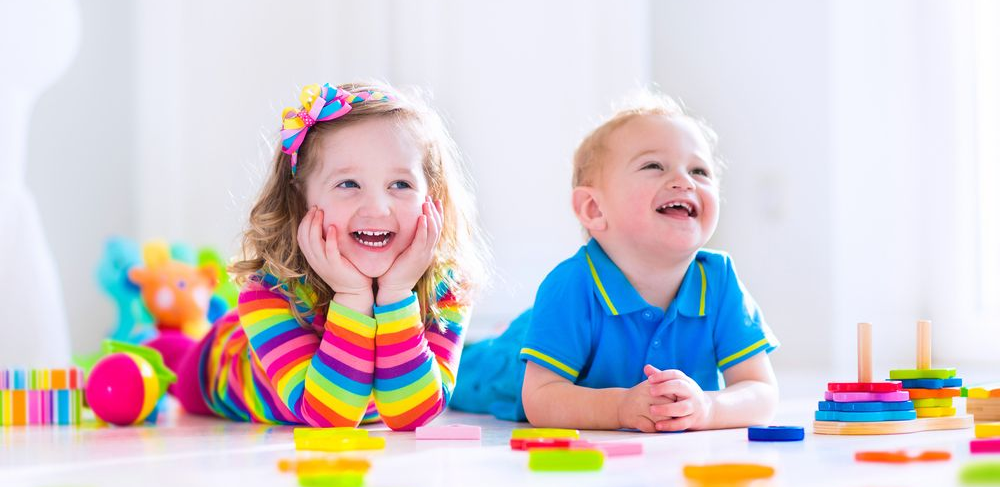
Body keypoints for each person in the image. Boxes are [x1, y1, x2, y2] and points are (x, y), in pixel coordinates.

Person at [157, 81, 487, 430]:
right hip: (219, 369)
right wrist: (353, 296)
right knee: (171, 361)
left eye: (400, 185)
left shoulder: (447, 286)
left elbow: (414, 416)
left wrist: (396, 295)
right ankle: (158, 340)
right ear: (299, 200)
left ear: (431, 197)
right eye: (348, 184)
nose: (377, 207)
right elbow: (329, 417)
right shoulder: (267, 294)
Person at [451, 91, 779, 432]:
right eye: (654, 165)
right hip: (508, 361)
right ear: (594, 209)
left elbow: (762, 392)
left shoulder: (720, 281)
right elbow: (541, 398)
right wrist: (619, 408)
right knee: (461, 371)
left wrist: (709, 408)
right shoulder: (571, 285)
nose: (684, 180)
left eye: (700, 171)